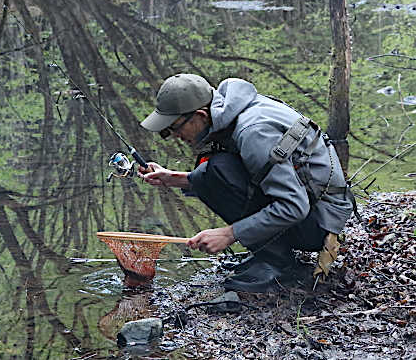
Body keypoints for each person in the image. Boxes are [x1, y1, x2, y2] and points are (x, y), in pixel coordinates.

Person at [138, 73, 354, 293]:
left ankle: (278, 264)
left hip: (320, 223)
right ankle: (269, 255)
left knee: (216, 169)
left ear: (200, 115)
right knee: (209, 171)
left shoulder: (254, 132)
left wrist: (229, 233)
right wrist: (173, 179)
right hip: (315, 205)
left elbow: (294, 206)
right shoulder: (234, 110)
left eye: (174, 128)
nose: (174, 136)